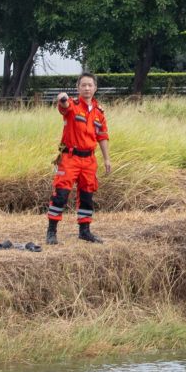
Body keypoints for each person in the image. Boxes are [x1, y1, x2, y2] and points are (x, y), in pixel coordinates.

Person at [46, 73, 111, 244]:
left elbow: (102, 136)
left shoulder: (99, 113)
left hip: (89, 160)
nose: (87, 88)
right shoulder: (72, 106)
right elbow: (63, 106)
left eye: (90, 85)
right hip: (70, 158)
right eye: (83, 85)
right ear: (78, 88)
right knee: (61, 194)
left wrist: (107, 159)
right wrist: (62, 98)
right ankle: (51, 232)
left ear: (95, 88)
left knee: (87, 195)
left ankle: (85, 231)